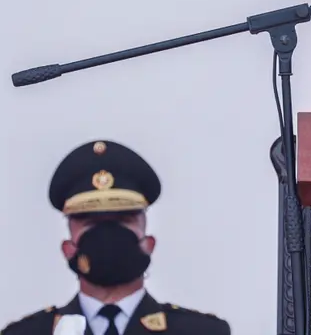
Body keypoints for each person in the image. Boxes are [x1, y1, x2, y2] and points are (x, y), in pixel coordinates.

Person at [1, 140, 231, 335]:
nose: (108, 235)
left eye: (123, 219)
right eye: (91, 222)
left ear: (149, 243)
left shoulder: (200, 331)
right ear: (68, 248)